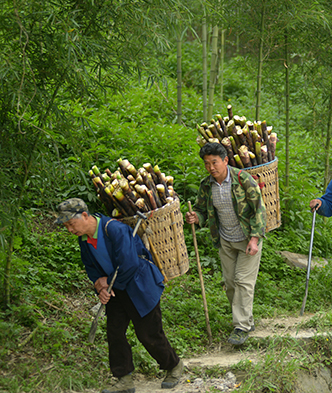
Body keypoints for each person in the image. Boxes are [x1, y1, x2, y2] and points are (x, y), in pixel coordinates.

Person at [55, 198, 183, 393]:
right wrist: (99, 285)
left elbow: (130, 264)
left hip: (139, 285)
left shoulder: (114, 229)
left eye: (71, 224)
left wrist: (107, 283)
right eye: (66, 227)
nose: (70, 230)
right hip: (116, 288)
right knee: (115, 333)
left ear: (84, 215)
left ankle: (173, 365)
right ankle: (124, 379)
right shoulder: (84, 239)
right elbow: (91, 267)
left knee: (148, 333)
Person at [185, 142, 266, 346]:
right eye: (207, 163)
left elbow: (259, 209)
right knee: (230, 284)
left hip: (248, 238)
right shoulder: (206, 185)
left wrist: (255, 239)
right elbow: (202, 210)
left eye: (214, 162)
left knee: (243, 282)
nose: (211, 167)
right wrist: (196, 217)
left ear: (225, 161)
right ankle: (246, 319)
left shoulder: (243, 179)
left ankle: (241, 327)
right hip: (225, 240)